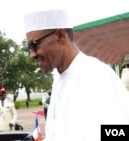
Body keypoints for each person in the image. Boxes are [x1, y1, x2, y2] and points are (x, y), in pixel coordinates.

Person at [24, 9, 129, 141]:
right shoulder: (59, 79)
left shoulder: (96, 75)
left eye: (35, 45)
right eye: (30, 48)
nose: (32, 55)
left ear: (60, 36)